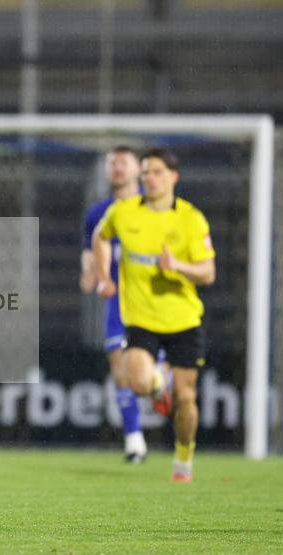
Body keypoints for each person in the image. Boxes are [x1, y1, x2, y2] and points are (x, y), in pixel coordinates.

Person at [92, 148, 215, 483]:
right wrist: (104, 275)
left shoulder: (191, 219)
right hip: (141, 318)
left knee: (186, 398)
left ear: (173, 177)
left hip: (184, 320)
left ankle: (184, 457)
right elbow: (100, 238)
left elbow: (208, 272)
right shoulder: (125, 211)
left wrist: (178, 267)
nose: (149, 178)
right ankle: (160, 383)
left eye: (157, 172)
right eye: (145, 172)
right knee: (138, 382)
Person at [80, 146, 150, 463]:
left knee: (148, 379)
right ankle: (134, 440)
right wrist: (90, 274)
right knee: (120, 367)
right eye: (112, 163)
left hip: (155, 302)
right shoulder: (98, 213)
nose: (117, 167)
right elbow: (89, 253)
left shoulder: (154, 210)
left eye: (124, 162)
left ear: (139, 170)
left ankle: (161, 384)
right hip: (119, 304)